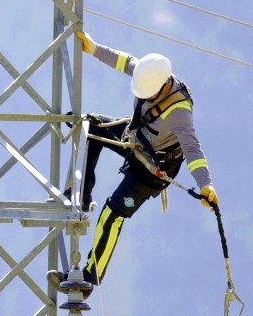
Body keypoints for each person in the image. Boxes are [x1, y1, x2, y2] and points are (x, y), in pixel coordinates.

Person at [47, 31, 219, 296]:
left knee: (112, 214)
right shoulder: (148, 73)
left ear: (162, 86)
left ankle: (88, 280)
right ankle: (80, 196)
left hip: (152, 171)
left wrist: (206, 186)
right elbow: (123, 60)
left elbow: (192, 149)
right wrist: (94, 48)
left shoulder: (180, 112)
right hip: (136, 142)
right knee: (89, 126)